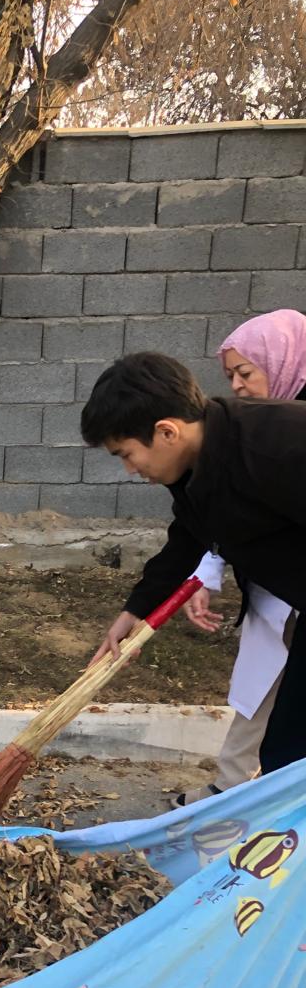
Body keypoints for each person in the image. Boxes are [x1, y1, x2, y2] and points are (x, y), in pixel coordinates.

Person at [81, 351, 306, 784]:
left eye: (126, 454)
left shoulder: (277, 445)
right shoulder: (197, 465)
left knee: (291, 748)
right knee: (287, 748)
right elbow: (188, 537)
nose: (129, 469)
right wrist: (135, 611)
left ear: (166, 431)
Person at [173, 310, 306, 806]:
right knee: (261, 678)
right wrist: (208, 571)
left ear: (285, 360)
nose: (237, 386)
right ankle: (230, 787)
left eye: (246, 372)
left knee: (289, 712)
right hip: (276, 589)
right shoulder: (244, 433)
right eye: (230, 375)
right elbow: (226, 513)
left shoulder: (287, 439)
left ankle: (271, 805)